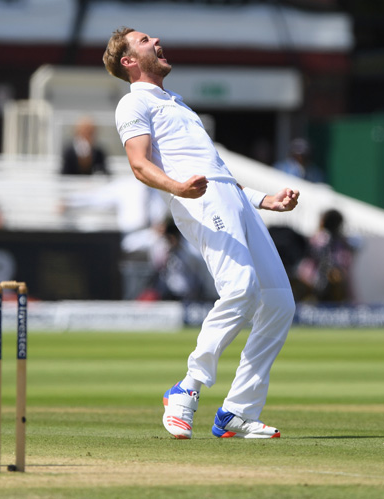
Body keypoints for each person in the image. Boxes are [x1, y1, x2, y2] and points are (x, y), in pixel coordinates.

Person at [104, 27, 300, 440]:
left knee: (280, 303)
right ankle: (186, 388)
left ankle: (237, 413)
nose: (156, 41)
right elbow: (139, 165)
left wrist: (266, 201)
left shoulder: (175, 101)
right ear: (129, 61)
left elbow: (217, 171)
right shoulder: (132, 103)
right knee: (241, 289)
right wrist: (177, 188)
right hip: (199, 201)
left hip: (231, 198)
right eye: (144, 41)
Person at [297, 209, 357, 303]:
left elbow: (343, 267)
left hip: (332, 287)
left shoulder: (341, 242)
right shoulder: (318, 240)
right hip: (312, 283)